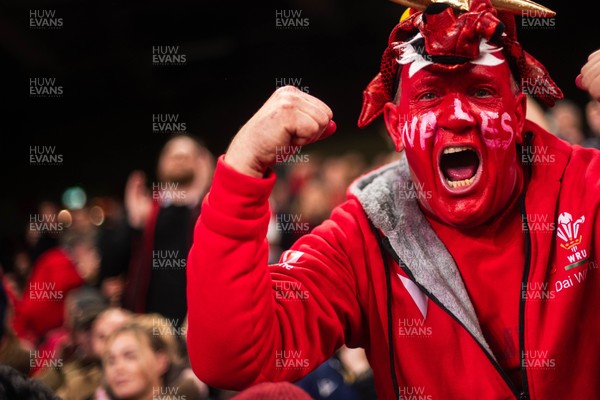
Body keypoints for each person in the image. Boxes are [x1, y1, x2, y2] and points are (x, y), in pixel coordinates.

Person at [186, 1, 599, 399]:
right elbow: (233, 359)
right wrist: (240, 171)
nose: (457, 115)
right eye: (429, 96)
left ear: (518, 112)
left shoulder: (587, 188)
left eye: (481, 91)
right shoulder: (363, 236)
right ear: (396, 125)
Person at [122, 134, 214, 327]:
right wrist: (134, 225)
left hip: (199, 322)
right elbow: (114, 264)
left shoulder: (212, 208)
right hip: (149, 322)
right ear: (161, 163)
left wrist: (201, 198)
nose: (179, 159)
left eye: (186, 155)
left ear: (202, 163)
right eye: (173, 155)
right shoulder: (147, 210)